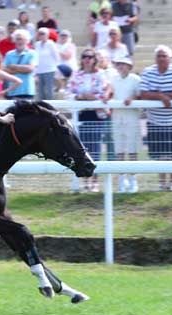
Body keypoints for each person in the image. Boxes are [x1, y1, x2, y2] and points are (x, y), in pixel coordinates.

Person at [140, 45, 172, 191]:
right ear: (155, 58)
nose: (161, 58)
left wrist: (160, 94)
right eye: (159, 56)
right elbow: (143, 93)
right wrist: (161, 96)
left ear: (170, 58)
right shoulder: (148, 72)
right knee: (159, 153)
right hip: (155, 120)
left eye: (164, 56)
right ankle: (162, 183)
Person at [67, 48, 111, 192]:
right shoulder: (76, 74)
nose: (87, 59)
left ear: (94, 59)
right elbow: (68, 93)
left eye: (90, 57)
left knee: (95, 149)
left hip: (95, 115)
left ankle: (94, 182)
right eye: (84, 56)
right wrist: (80, 97)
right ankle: (85, 181)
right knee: (81, 149)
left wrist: (91, 97)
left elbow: (103, 94)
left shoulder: (100, 75)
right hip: (80, 115)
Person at [109, 56, 141, 193]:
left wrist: (132, 99)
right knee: (119, 151)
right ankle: (122, 180)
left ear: (129, 66)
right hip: (117, 117)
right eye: (119, 64)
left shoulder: (135, 79)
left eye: (124, 64)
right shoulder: (113, 79)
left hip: (131, 117)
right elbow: (110, 93)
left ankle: (133, 180)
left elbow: (140, 95)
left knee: (132, 150)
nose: (121, 67)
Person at [3, 29, 37, 100]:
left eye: (21, 39)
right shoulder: (9, 54)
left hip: (27, 90)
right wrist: (23, 69)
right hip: (13, 90)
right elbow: (5, 70)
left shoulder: (32, 53)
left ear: (27, 41)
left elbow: (30, 69)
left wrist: (14, 66)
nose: (19, 41)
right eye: (17, 39)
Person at [34, 27, 59, 100]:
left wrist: (56, 68)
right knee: (40, 91)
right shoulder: (37, 44)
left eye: (43, 34)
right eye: (39, 34)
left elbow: (56, 57)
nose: (41, 35)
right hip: (39, 70)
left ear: (47, 35)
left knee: (49, 90)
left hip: (49, 70)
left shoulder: (51, 44)